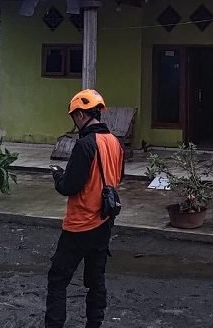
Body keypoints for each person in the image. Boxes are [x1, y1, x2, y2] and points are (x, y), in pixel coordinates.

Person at [45, 89, 124, 328]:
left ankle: (54, 324)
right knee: (95, 280)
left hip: (80, 224)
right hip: (103, 222)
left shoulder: (85, 145)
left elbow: (70, 187)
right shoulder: (115, 142)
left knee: (58, 279)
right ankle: (94, 324)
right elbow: (117, 177)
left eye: (74, 117)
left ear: (80, 115)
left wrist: (58, 177)